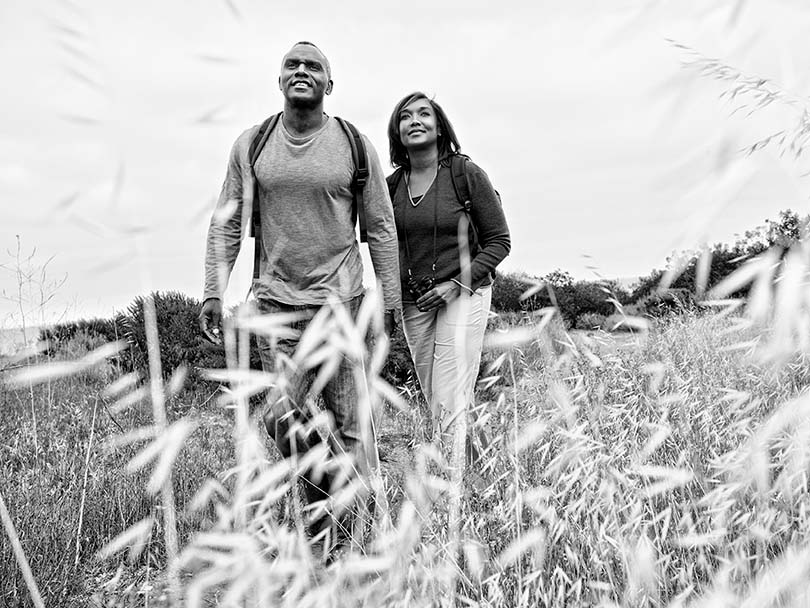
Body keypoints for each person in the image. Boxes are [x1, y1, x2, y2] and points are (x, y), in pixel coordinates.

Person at [199, 41, 401, 557]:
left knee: (352, 428)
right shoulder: (253, 144)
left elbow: (379, 226)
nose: (302, 71)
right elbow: (226, 222)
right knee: (282, 417)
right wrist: (211, 291)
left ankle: (348, 545)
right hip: (274, 306)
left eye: (314, 66)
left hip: (343, 304)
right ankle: (328, 515)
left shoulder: (355, 145)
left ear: (329, 85)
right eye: (293, 64)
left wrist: (390, 297)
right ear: (280, 79)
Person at [386, 92, 510, 459]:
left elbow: (499, 242)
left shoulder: (464, 173)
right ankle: (477, 470)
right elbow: (383, 246)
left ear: (440, 128)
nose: (415, 121)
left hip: (464, 293)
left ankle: (454, 486)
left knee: (448, 397)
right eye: (405, 116)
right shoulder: (391, 185)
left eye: (424, 114)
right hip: (414, 302)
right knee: (437, 398)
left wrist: (455, 285)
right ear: (397, 131)